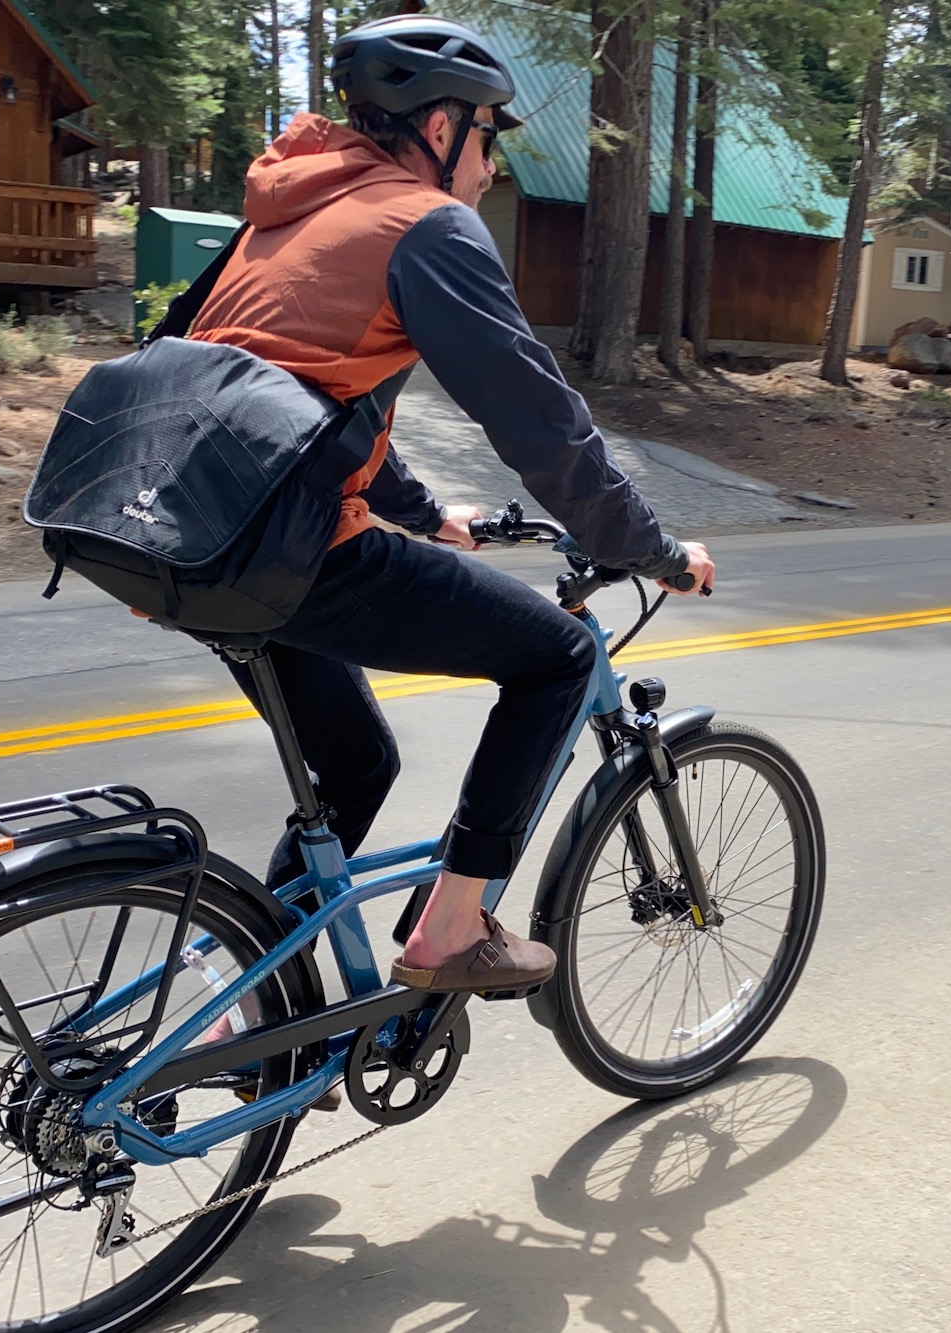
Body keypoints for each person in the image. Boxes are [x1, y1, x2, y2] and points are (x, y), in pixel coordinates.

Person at [186, 15, 713, 996]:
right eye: (488, 137)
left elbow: (298, 399)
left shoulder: (290, 214)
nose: (491, 167)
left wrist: (425, 514)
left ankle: (238, 1012)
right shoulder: (422, 224)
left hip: (178, 542)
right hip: (277, 549)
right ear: (438, 129)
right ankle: (452, 930)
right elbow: (540, 424)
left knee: (352, 766)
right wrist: (653, 549)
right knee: (559, 657)